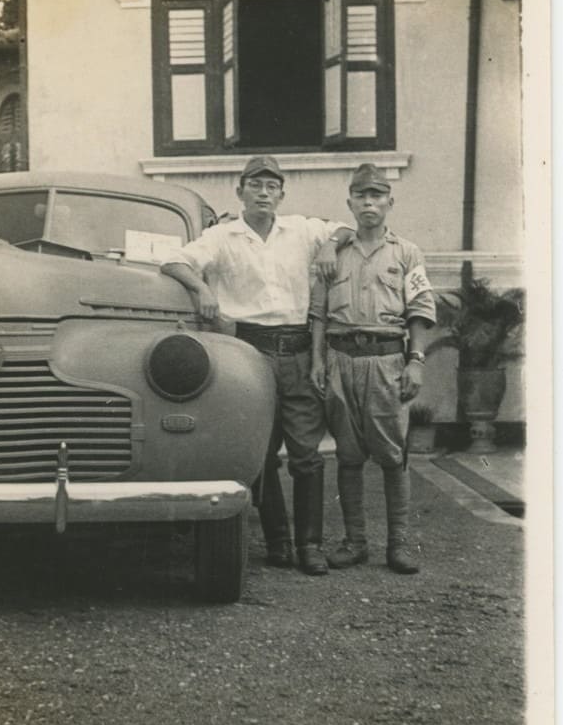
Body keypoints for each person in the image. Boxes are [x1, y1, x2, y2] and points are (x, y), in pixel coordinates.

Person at [161, 155, 353, 576]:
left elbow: (346, 227)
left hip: (300, 350)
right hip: (250, 352)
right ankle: (278, 541)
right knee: (259, 452)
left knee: (307, 452)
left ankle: (309, 545)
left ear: (281, 194)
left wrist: (328, 243)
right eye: (255, 186)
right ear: (240, 191)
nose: (264, 194)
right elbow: (174, 261)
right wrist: (200, 289)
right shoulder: (223, 236)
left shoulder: (302, 229)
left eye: (272, 187)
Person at [310, 163, 436, 575]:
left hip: (386, 361)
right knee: (347, 456)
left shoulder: (407, 252)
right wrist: (317, 363)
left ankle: (397, 545)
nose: (369, 203)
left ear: (389, 202)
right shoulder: (332, 254)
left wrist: (415, 361)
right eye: (361, 196)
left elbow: (419, 310)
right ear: (350, 203)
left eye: (377, 196)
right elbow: (317, 316)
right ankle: (355, 542)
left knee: (391, 454)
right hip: (340, 361)